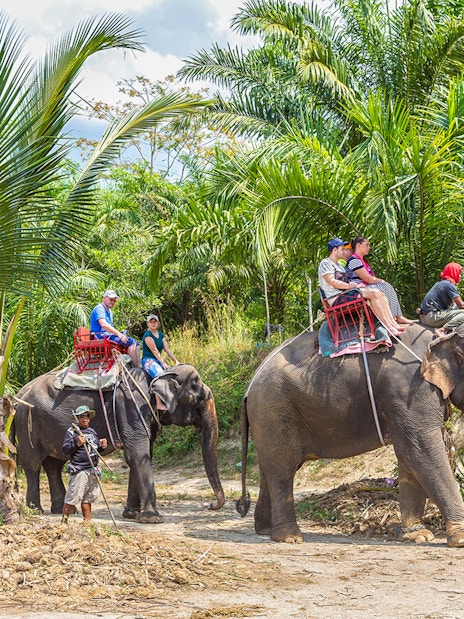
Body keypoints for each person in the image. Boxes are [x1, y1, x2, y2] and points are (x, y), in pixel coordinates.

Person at [318, 238, 405, 337]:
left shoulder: (340, 266)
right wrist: (349, 286)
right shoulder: (325, 263)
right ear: (334, 250)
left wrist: (357, 285)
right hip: (337, 298)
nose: (344, 251)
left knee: (379, 292)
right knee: (374, 293)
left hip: (346, 293)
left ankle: (392, 323)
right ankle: (388, 327)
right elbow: (332, 282)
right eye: (342, 249)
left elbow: (347, 282)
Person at [346, 236, 414, 325]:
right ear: (358, 246)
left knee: (386, 286)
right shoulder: (354, 260)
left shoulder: (362, 260)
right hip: (360, 287)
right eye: (367, 245)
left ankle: (396, 316)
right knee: (386, 286)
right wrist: (382, 281)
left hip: (366, 286)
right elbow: (367, 278)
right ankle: (397, 317)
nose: (369, 247)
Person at [61, 405, 107, 523]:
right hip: (79, 470)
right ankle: (64, 522)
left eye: (87, 416)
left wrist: (101, 446)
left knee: (88, 498)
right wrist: (77, 444)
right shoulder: (72, 432)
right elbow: (66, 449)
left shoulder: (92, 431)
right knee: (73, 497)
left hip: (92, 469)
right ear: (76, 418)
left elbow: (94, 450)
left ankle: (87, 523)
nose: (85, 418)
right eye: (81, 416)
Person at [90, 290, 141, 367]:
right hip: (100, 336)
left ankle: (139, 366)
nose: (113, 302)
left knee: (137, 344)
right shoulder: (99, 308)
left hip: (108, 336)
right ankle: (136, 368)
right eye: (111, 299)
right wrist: (119, 334)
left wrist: (120, 333)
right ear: (104, 298)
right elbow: (103, 324)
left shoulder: (110, 311)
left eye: (114, 300)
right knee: (131, 342)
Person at [419, 262, 464, 337]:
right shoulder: (449, 285)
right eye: (458, 273)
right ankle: (443, 330)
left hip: (425, 317)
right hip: (432, 317)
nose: (460, 276)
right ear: (453, 272)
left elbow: (455, 305)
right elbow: (461, 305)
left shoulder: (442, 283)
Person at [141, 314, 180, 378]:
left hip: (158, 360)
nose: (153, 324)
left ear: (158, 323)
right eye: (151, 322)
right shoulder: (147, 335)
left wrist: (176, 361)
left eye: (155, 322)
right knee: (160, 376)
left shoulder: (161, 334)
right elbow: (155, 351)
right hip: (148, 360)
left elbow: (167, 349)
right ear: (147, 324)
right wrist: (163, 363)